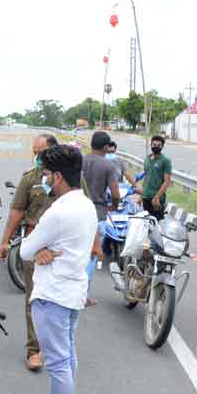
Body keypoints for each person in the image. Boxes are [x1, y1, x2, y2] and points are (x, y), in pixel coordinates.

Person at [16, 144, 98, 394]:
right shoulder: (85, 204)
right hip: (74, 289)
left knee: (59, 361)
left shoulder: (58, 211)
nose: (45, 179)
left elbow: (24, 249)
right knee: (68, 354)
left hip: (53, 294)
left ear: (59, 176)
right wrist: (43, 250)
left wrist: (38, 249)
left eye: (47, 174)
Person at [0, 133, 58, 371]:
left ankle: (54, 346)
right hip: (35, 248)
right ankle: (34, 349)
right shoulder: (29, 179)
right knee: (34, 300)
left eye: (40, 152)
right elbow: (16, 211)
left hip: (63, 251)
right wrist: (4, 241)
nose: (37, 157)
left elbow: (84, 209)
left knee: (59, 301)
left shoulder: (72, 179)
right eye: (34, 152)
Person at [81, 131, 119, 305]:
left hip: (77, 212)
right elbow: (116, 194)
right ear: (105, 147)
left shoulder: (80, 161)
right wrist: (114, 206)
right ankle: (84, 295)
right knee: (92, 256)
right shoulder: (108, 166)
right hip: (98, 214)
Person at [142, 135, 172, 221]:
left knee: (156, 224)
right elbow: (146, 177)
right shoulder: (147, 159)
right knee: (146, 223)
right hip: (146, 196)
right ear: (151, 145)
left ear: (162, 147)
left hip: (157, 198)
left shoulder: (165, 161)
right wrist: (142, 195)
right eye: (154, 145)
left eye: (159, 146)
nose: (156, 147)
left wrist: (156, 198)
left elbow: (167, 182)